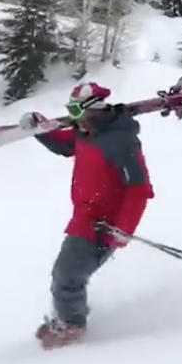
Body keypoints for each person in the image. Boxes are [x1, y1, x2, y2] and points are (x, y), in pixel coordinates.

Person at [20, 81, 154, 348]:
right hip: (84, 218)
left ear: (96, 108)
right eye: (70, 109)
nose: (72, 116)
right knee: (66, 274)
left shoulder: (121, 141)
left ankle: (72, 326)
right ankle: (67, 318)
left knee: (67, 275)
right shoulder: (85, 132)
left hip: (103, 226)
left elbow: (139, 189)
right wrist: (40, 128)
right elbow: (64, 145)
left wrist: (123, 229)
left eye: (76, 109)